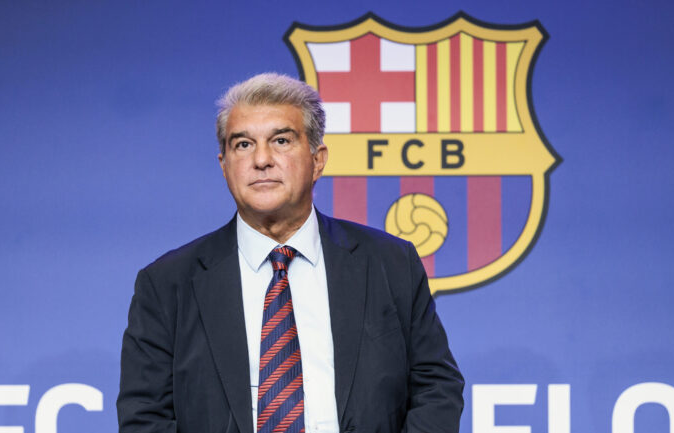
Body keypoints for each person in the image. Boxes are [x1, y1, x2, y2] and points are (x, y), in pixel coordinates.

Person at [117, 73, 464, 433]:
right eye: (243, 145)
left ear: (317, 159)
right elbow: (145, 418)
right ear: (224, 165)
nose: (262, 159)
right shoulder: (167, 284)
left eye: (281, 140)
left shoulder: (390, 263)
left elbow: (436, 389)